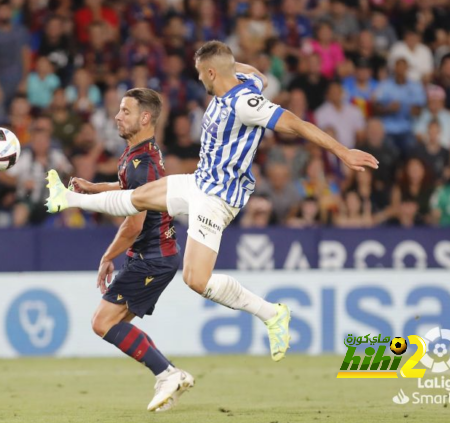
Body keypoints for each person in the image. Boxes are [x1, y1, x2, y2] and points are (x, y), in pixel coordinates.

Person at [45, 40, 378, 363]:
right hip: (199, 184)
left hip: (217, 198)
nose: (199, 78)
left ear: (211, 73)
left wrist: (342, 151)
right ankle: (68, 198)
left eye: (201, 72)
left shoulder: (245, 103)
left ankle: (272, 314)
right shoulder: (244, 80)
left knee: (195, 280)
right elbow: (255, 73)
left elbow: (294, 123)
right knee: (138, 198)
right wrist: (228, 63)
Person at [68, 88, 191, 412]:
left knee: (102, 322)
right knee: (116, 322)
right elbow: (129, 189)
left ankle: (166, 373)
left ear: (145, 117)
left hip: (152, 257)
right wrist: (96, 188)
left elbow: (133, 224)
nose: (117, 116)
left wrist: (108, 256)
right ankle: (170, 372)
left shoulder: (141, 162)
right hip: (156, 255)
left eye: (125, 111)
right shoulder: (141, 154)